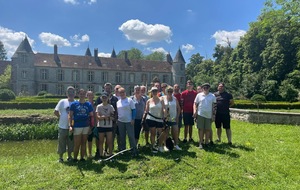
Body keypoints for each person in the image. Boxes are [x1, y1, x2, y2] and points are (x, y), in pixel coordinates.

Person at [69, 89, 94, 162]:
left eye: (83, 94)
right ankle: (75, 158)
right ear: (78, 94)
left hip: (86, 126)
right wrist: (71, 125)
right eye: (81, 94)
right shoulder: (74, 104)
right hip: (77, 125)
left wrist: (91, 126)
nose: (82, 95)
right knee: (77, 143)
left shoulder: (88, 104)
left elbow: (91, 116)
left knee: (84, 143)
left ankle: (82, 158)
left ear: (85, 95)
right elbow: (70, 115)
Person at [95, 83, 119, 157]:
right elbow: (97, 115)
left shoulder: (114, 100)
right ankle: (100, 153)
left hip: (110, 124)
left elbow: (114, 114)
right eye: (106, 88)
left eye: (109, 88)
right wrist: (104, 117)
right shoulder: (98, 102)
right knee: (100, 140)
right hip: (101, 125)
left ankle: (109, 153)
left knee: (110, 140)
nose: (107, 89)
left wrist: (111, 118)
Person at [54, 86, 75, 163]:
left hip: (72, 126)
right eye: (69, 92)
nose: (71, 93)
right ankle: (61, 157)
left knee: (71, 142)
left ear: (74, 93)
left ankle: (69, 156)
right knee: (61, 142)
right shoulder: (62, 101)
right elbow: (55, 111)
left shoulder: (76, 102)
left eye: (72, 92)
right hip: (62, 126)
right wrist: (61, 117)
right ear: (66, 93)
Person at [142, 86, 166, 153]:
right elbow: (146, 111)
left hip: (159, 118)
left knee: (160, 133)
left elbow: (164, 108)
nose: (154, 92)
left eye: (156, 91)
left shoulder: (161, 100)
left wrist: (165, 113)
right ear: (151, 92)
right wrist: (143, 118)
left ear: (157, 92)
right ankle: (153, 147)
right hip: (151, 118)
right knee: (153, 133)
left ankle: (160, 146)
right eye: (153, 91)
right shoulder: (148, 101)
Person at [193, 83, 216, 149]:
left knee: (208, 129)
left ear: (209, 88)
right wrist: (195, 111)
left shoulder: (212, 96)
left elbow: (214, 106)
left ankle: (206, 142)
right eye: (204, 88)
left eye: (207, 88)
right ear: (202, 88)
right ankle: (201, 143)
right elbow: (195, 104)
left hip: (209, 115)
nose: (205, 89)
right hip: (200, 114)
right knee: (201, 129)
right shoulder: (199, 95)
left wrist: (213, 115)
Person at [116, 87, 138, 156]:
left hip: (129, 121)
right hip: (120, 121)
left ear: (125, 92)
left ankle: (134, 150)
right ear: (118, 94)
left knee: (131, 136)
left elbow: (134, 110)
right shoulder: (118, 102)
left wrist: (133, 119)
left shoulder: (129, 100)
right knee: (122, 137)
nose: (122, 94)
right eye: (120, 92)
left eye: (123, 92)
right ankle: (123, 150)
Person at [162, 86, 182, 150]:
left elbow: (179, 108)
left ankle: (176, 145)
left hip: (174, 118)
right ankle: (165, 145)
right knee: (166, 132)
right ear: (166, 92)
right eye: (168, 91)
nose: (170, 92)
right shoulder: (163, 99)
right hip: (166, 118)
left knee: (175, 131)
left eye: (171, 91)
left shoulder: (175, 99)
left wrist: (177, 117)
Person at [86, 91, 97, 158]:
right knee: (85, 139)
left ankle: (90, 153)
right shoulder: (85, 104)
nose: (90, 96)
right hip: (86, 124)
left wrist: (95, 124)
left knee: (91, 139)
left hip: (94, 124)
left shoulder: (95, 104)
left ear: (93, 96)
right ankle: (84, 154)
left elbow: (96, 114)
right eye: (89, 95)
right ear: (87, 96)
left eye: (91, 95)